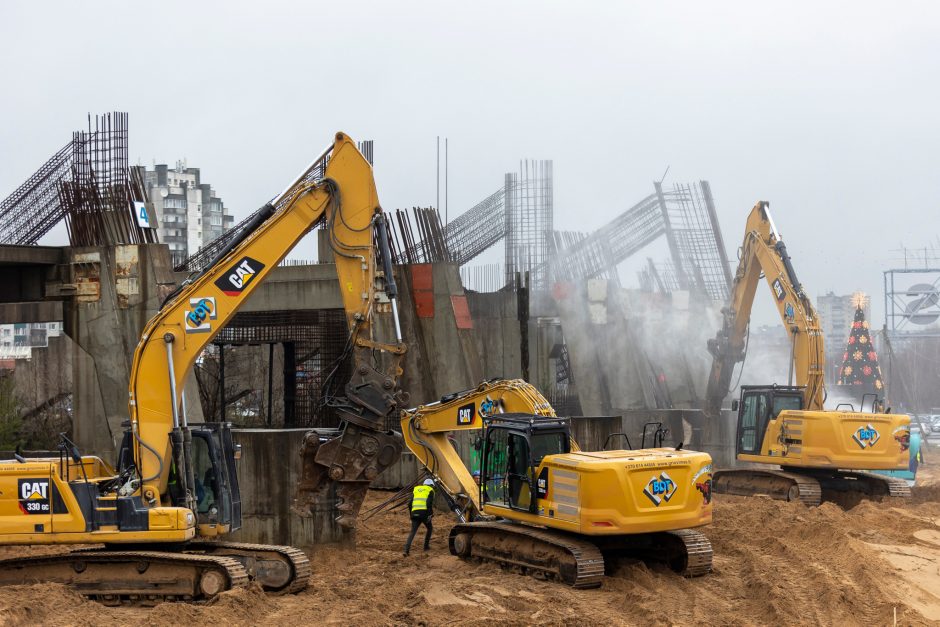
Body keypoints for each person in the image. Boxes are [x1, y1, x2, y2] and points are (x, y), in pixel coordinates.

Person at [404, 478, 435, 556]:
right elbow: (428, 504)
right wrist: (430, 514)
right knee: (430, 528)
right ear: (431, 485)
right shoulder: (430, 490)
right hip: (424, 514)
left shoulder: (416, 490)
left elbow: (409, 504)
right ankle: (426, 546)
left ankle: (406, 550)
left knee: (412, 532)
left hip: (414, 513)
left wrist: (411, 514)